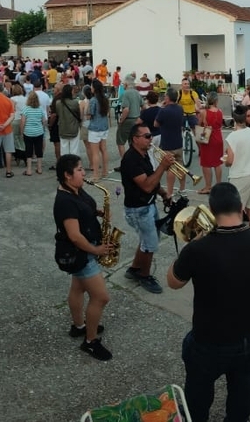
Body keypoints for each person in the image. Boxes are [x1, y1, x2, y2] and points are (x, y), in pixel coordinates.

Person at [167, 183, 250, 422]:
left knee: (198, 391)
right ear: (241, 207)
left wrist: (189, 247)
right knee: (245, 389)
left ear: (212, 210)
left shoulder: (198, 248)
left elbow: (173, 282)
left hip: (212, 339)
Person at [53, 154, 114, 361]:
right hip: (80, 254)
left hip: (82, 253)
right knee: (101, 297)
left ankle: (79, 326)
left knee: (77, 287)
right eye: (79, 170)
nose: (83, 172)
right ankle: (90, 341)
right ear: (67, 176)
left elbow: (83, 210)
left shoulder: (76, 189)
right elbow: (75, 236)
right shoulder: (65, 201)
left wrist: (97, 213)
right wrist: (96, 251)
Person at [120, 124, 173, 294]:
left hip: (147, 205)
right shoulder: (131, 159)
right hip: (138, 209)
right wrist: (163, 167)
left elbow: (152, 180)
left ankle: (134, 269)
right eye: (147, 136)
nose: (151, 139)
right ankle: (144, 275)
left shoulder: (143, 155)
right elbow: (147, 186)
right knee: (150, 244)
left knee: (146, 240)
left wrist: (164, 193)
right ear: (135, 139)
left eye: (150, 136)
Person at [197, 92, 225, 194]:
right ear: (216, 100)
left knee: (206, 163)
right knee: (217, 163)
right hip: (218, 137)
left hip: (207, 137)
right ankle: (218, 185)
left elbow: (199, 124)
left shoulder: (204, 112)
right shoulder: (220, 111)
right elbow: (220, 124)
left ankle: (208, 187)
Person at [83, 84, 111, 183]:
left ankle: (96, 175)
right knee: (104, 149)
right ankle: (105, 171)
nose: (91, 88)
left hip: (95, 128)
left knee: (95, 153)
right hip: (104, 126)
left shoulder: (93, 100)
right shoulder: (105, 98)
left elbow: (90, 114)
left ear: (94, 88)